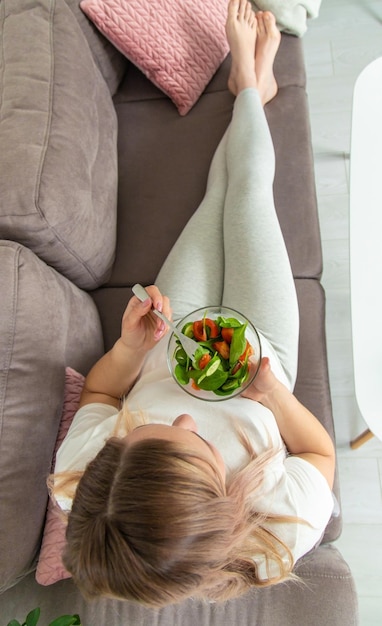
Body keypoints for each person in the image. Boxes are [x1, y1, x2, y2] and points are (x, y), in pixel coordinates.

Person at [52, 0, 335, 608]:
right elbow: (318, 452)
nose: (182, 419)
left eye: (147, 430)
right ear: (222, 498)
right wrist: (272, 396)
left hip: (173, 338)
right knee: (250, 199)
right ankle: (250, 89)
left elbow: (101, 395)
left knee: (215, 199)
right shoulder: (278, 530)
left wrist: (132, 348)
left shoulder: (88, 484)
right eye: (195, 443)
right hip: (261, 352)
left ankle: (248, 86)